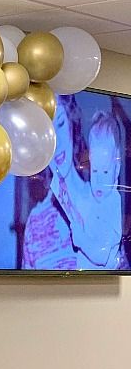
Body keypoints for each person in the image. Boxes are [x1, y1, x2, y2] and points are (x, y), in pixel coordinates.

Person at [22, 95, 88, 271]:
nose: (56, 143)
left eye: (60, 124)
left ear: (72, 124)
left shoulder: (100, 203)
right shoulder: (36, 222)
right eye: (48, 133)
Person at [66, 111, 124, 269]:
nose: (98, 180)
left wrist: (81, 240)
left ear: (117, 169)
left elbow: (102, 255)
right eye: (95, 171)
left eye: (105, 172)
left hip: (104, 278)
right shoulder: (88, 195)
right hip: (81, 276)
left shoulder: (114, 203)